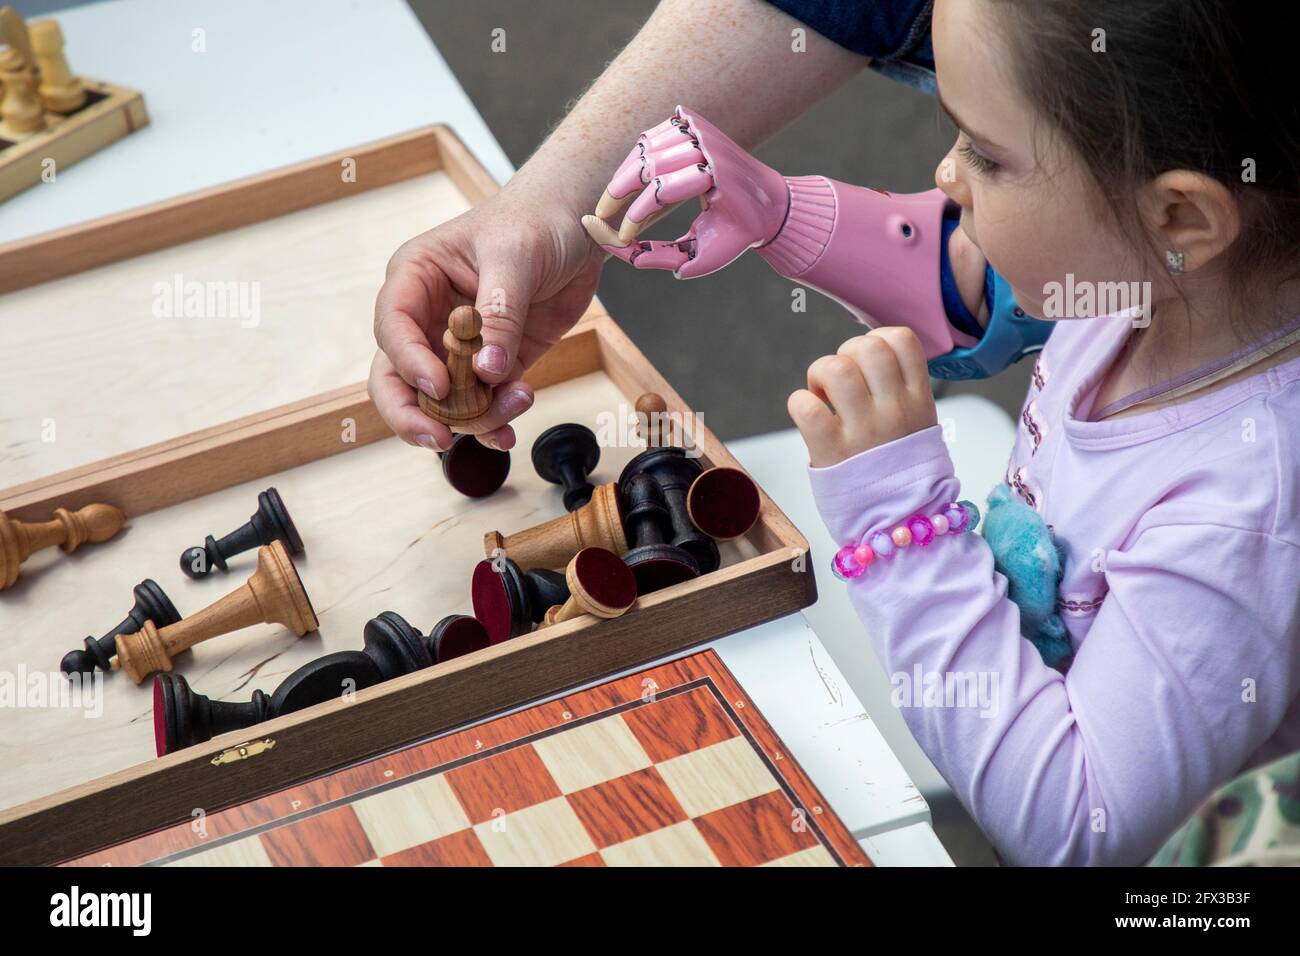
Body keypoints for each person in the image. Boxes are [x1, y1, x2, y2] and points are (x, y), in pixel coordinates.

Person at [372, 0, 1300, 865]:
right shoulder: (1153, 280)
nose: (943, 174)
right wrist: (777, 210)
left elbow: (1073, 824)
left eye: (983, 151)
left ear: (1184, 214)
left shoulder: (1243, 514)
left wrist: (905, 525)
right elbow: (972, 284)